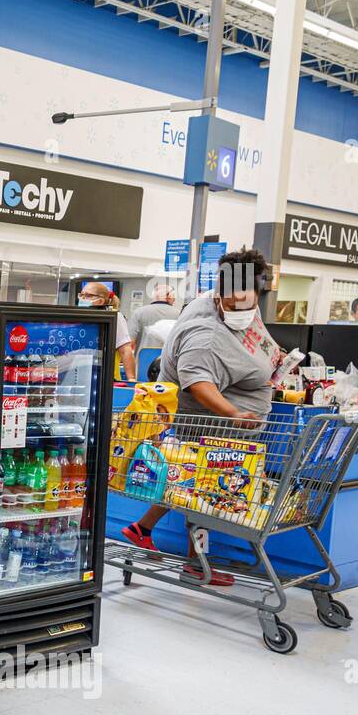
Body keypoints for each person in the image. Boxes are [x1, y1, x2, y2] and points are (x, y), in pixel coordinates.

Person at [120, 247, 282, 585]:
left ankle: (142, 527)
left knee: (188, 485)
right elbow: (198, 384)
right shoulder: (205, 333)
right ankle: (196, 564)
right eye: (235, 303)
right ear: (220, 297)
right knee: (204, 494)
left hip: (218, 426)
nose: (244, 310)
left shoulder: (234, 300)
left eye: (249, 302)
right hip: (206, 423)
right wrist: (235, 413)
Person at [79, 282, 136, 381]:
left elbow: (125, 350)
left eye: (88, 295)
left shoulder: (115, 318)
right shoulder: (81, 316)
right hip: (82, 375)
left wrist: (131, 379)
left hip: (108, 379)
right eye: (81, 295)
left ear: (101, 301)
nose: (82, 299)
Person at [129, 283, 178, 352]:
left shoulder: (138, 312)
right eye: (174, 297)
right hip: (169, 360)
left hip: (143, 359)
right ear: (169, 296)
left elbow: (131, 343)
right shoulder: (179, 314)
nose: (174, 299)